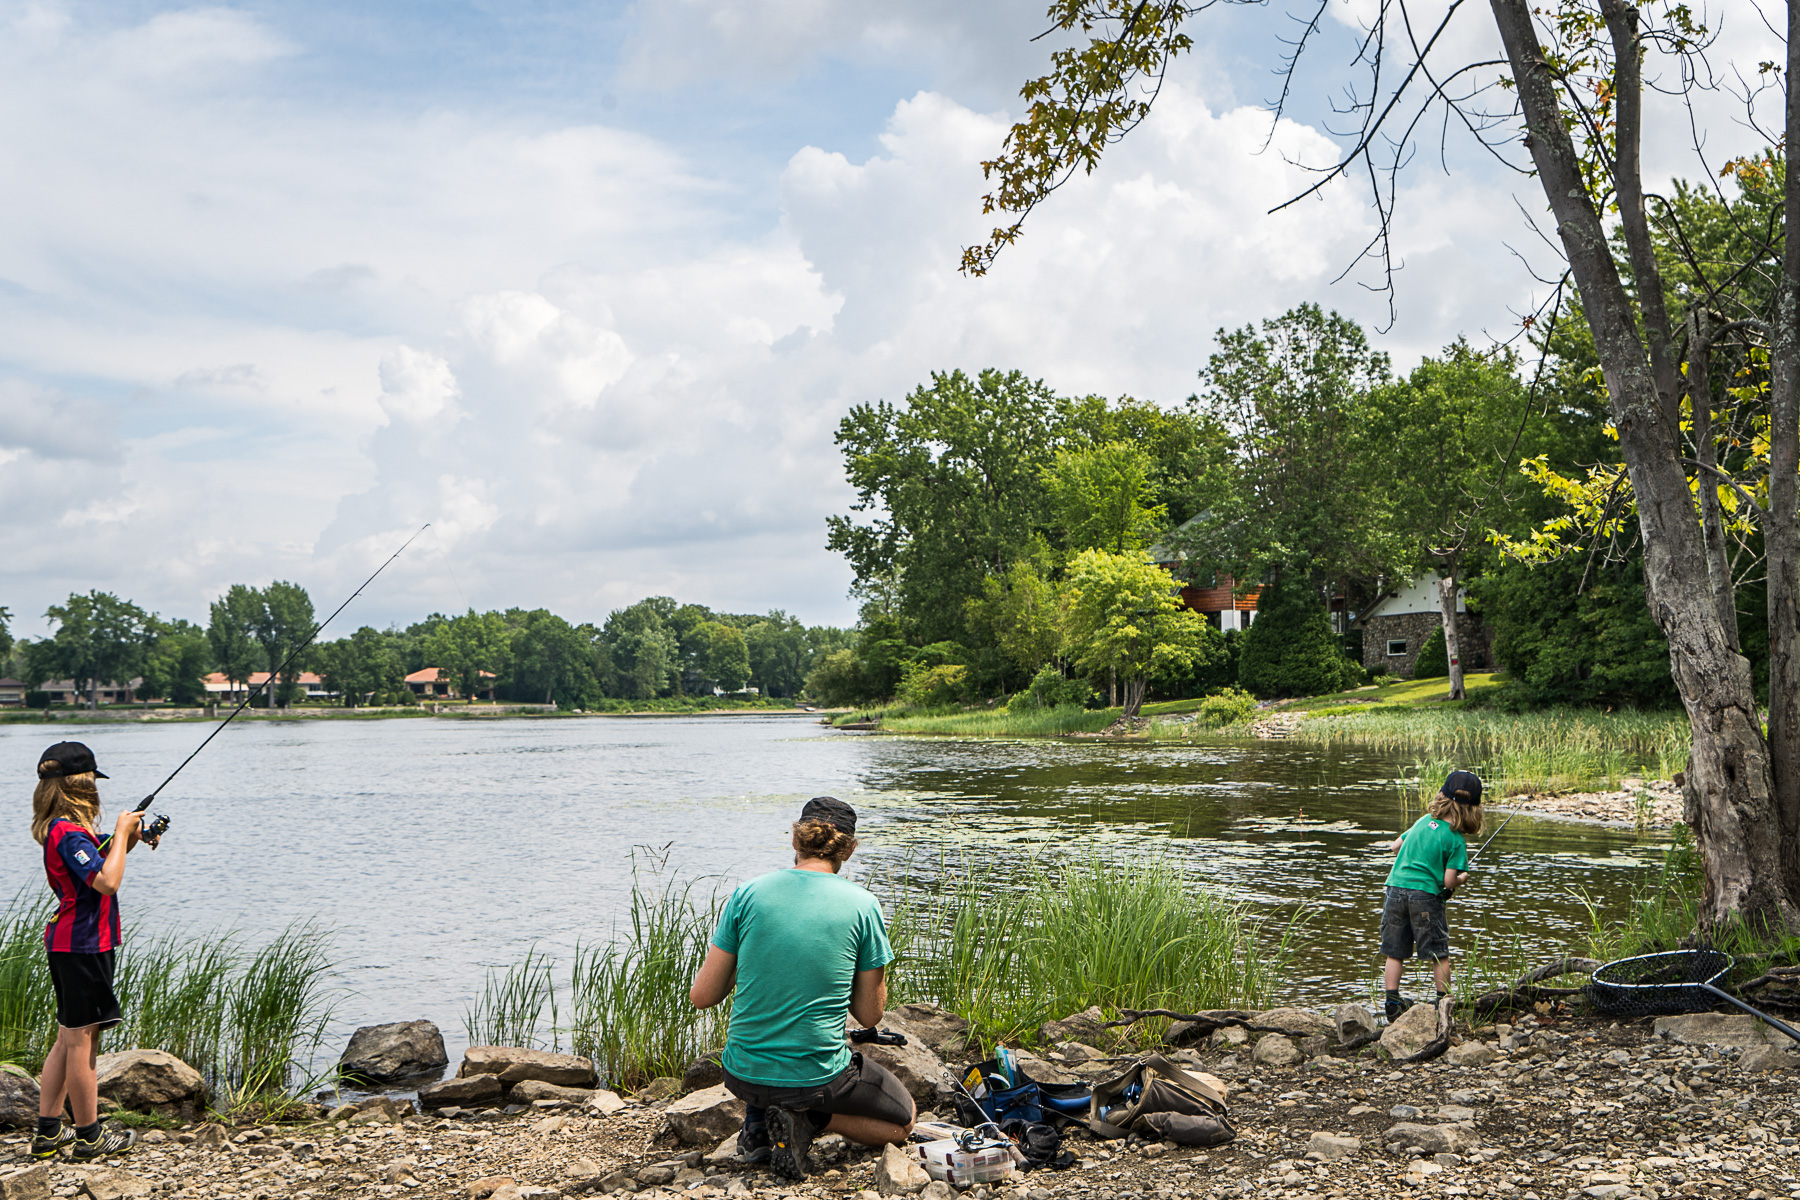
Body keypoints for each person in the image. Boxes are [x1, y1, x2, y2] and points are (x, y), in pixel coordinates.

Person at [689, 797, 915, 1181]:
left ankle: (760, 1124)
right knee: (904, 1122)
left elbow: (702, 996)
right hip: (815, 1079)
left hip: (741, 1075)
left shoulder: (748, 894)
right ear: (850, 847)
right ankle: (812, 1119)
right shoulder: (862, 905)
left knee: (769, 1068)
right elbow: (870, 1015)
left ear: (796, 840)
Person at [30, 741, 158, 1161]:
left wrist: (131, 839)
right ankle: (89, 1136)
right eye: (92, 786)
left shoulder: (68, 831)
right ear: (81, 787)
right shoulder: (68, 833)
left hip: (72, 944)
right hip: (83, 946)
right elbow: (105, 882)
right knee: (84, 1042)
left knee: (67, 1040)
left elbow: (103, 861)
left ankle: (48, 1132)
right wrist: (121, 833)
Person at [1380, 769, 1482, 1021]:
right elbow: (1448, 881)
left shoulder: (1423, 820)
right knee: (1438, 951)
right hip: (1425, 897)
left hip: (1395, 890)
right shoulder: (1456, 840)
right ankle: (1443, 1002)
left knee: (1395, 951)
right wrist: (1462, 879)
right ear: (1473, 811)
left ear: (1442, 798)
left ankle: (1392, 1001)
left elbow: (1395, 846)